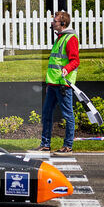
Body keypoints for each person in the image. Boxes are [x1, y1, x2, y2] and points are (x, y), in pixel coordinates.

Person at [37, 10, 79, 153]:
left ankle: (68, 145)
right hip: (53, 84)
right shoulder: (60, 38)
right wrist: (49, 83)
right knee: (46, 113)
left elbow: (75, 61)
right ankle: (45, 144)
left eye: (54, 21)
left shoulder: (70, 38)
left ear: (63, 23)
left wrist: (66, 69)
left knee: (68, 115)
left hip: (63, 85)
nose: (52, 23)